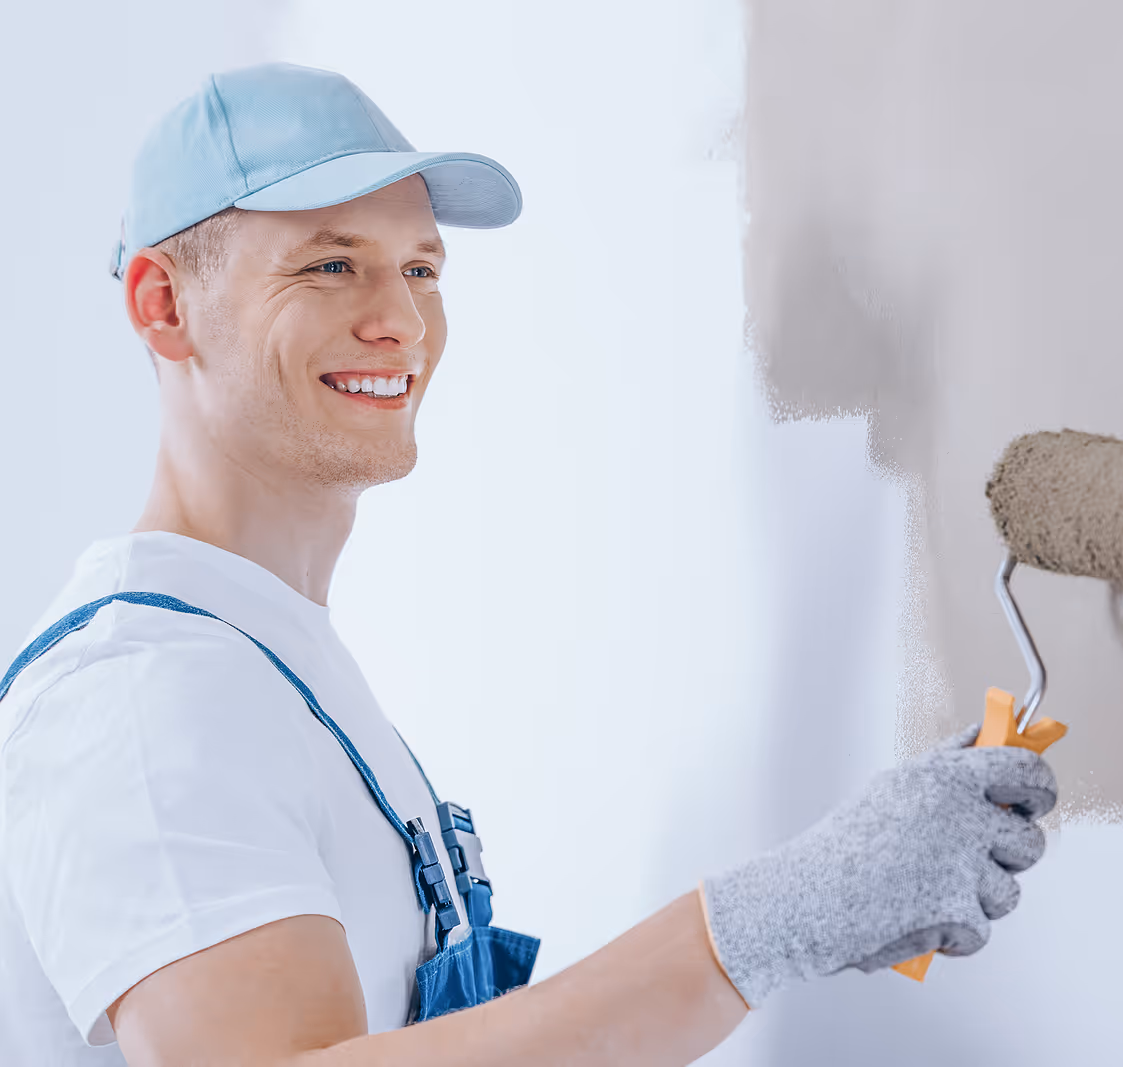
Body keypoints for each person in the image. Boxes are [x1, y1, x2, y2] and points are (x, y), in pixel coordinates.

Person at [0, 63, 1057, 1066]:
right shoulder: (145, 698)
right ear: (162, 304)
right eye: (331, 264)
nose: (402, 320)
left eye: (420, 267)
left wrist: (807, 916)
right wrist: (766, 921)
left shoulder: (264, 659)